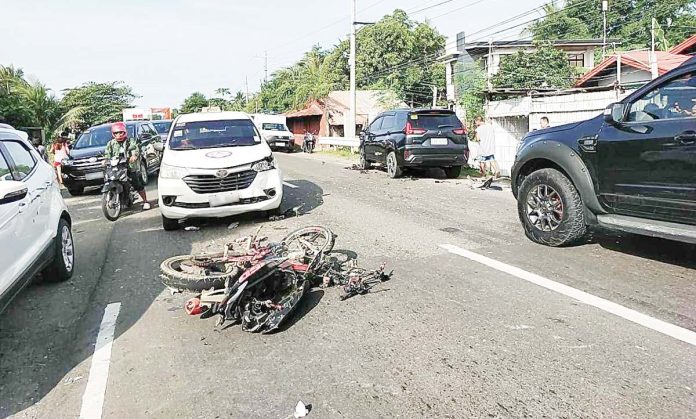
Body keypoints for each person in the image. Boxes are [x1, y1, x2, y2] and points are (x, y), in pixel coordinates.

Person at [103, 122, 150, 210]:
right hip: (116, 167)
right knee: (110, 179)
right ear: (113, 134)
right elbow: (107, 153)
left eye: (121, 132)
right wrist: (105, 160)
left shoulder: (130, 141)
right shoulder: (111, 143)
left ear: (125, 132)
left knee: (137, 183)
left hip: (129, 166)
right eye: (116, 133)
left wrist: (134, 155)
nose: (119, 135)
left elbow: (135, 149)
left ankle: (145, 201)